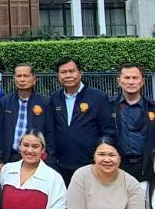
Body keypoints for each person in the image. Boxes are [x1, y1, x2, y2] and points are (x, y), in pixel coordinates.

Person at [47, 57, 116, 185]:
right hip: (61, 166)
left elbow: (107, 131)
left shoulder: (98, 97)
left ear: (80, 73)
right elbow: (51, 131)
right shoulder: (54, 98)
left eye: (71, 71)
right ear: (57, 75)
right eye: (63, 72)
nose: (68, 75)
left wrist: (100, 157)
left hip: (90, 165)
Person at [108, 64, 155, 179]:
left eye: (135, 78)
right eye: (127, 78)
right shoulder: (108, 106)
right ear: (119, 81)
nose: (131, 82)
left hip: (148, 167)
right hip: (117, 167)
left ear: (142, 81)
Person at [0, 63, 50, 165]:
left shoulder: (44, 103)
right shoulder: (5, 102)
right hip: (10, 156)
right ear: (14, 79)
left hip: (34, 156)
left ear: (34, 79)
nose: (22, 80)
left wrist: (49, 160)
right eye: (19, 76)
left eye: (26, 76)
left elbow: (50, 133)